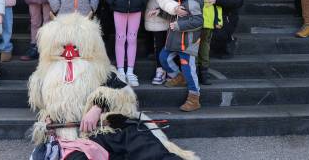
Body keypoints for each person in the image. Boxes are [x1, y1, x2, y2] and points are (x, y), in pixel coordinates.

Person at [27, 13, 198, 160]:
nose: (70, 53)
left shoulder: (99, 68)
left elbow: (123, 94)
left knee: (139, 141)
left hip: (103, 126)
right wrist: (47, 121)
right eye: (64, 47)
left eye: (75, 47)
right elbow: (44, 109)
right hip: (70, 136)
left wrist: (97, 107)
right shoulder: (43, 76)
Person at [159, 0, 205, 112]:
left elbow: (198, 21)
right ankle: (179, 77)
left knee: (189, 69)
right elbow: (175, 14)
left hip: (188, 43)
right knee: (164, 57)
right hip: (175, 39)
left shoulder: (193, 3)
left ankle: (194, 97)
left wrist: (179, 25)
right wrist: (160, 12)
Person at [145, 0, 182, 85]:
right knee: (160, 45)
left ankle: (171, 71)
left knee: (172, 45)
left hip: (172, 14)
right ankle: (160, 70)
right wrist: (175, 8)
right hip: (158, 15)